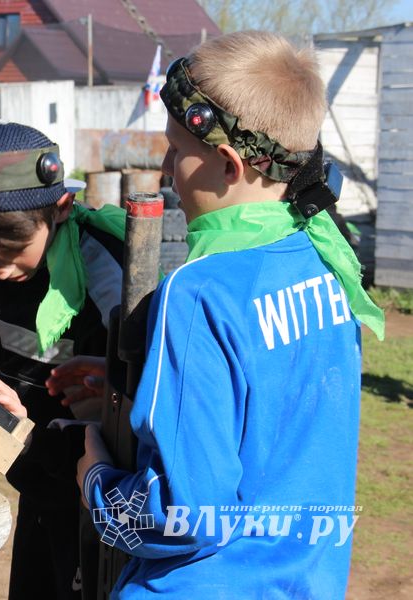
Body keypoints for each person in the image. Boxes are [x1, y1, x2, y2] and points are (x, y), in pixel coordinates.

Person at [46, 31, 385, 599]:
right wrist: (154, 384)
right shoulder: (330, 261)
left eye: (177, 150)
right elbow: (273, 407)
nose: (167, 167)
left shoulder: (200, 291)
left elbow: (185, 516)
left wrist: (97, 483)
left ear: (227, 164)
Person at [0, 121, 127, 599]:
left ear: (61, 208)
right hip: (34, 483)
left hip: (95, 504)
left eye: (12, 255)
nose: (0, 271)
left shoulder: (112, 279)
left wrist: (29, 427)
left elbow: (136, 415)